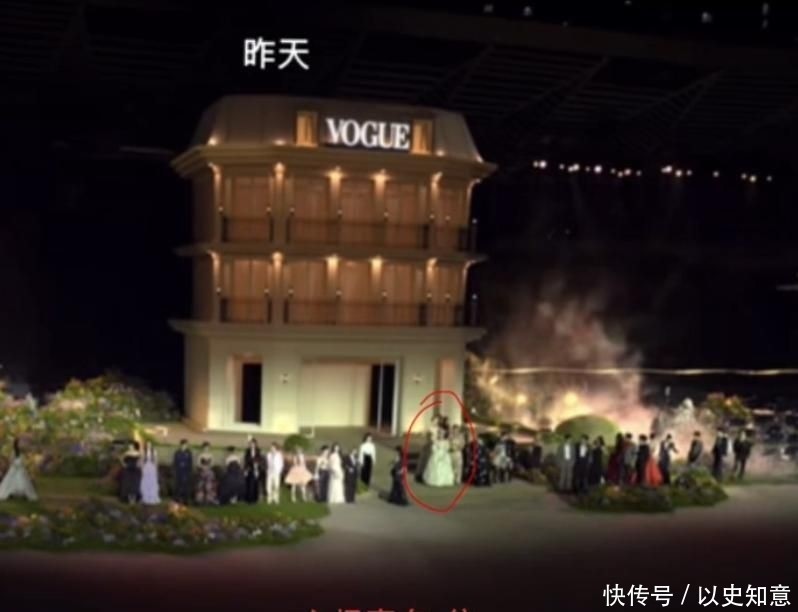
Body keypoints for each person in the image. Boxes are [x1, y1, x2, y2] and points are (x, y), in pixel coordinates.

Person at [172, 438, 193, 504]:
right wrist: (174, 470)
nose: (184, 446)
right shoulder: (177, 452)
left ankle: (185, 500)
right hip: (178, 471)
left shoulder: (189, 452)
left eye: (186, 445)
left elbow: (190, 462)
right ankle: (177, 499)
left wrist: (189, 471)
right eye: (183, 445)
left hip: (186, 471)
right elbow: (175, 462)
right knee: (178, 485)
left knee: (185, 486)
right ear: (181, 445)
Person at [140, 441, 160, 505]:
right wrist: (142, 469)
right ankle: (145, 497)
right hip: (146, 467)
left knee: (152, 481)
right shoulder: (144, 451)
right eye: (147, 444)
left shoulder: (154, 451)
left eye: (150, 444)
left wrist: (156, 469)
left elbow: (156, 461)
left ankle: (152, 496)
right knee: (145, 481)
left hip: (152, 467)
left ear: (151, 445)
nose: (149, 445)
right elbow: (142, 461)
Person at [243, 438, 264, 504]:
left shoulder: (258, 450)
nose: (252, 445)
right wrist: (245, 470)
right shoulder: (247, 450)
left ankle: (255, 499)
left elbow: (259, 459)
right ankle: (248, 499)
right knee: (248, 483)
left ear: (255, 444)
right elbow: (246, 460)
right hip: (249, 468)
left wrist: (256, 465)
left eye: (253, 444)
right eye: (251, 444)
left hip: (256, 469)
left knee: (255, 484)